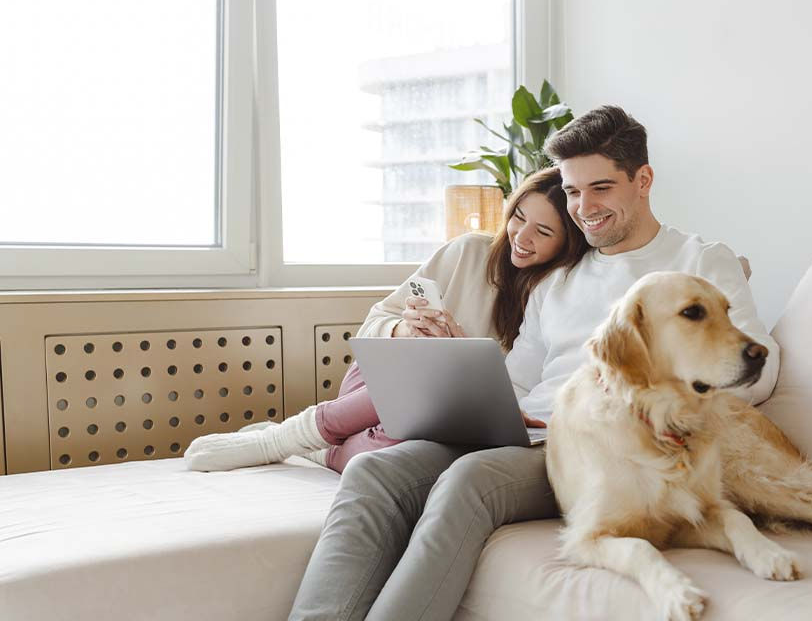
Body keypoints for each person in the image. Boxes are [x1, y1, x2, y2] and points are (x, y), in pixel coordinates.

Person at [286, 105, 780, 620]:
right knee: (374, 470)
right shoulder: (560, 277)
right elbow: (519, 379)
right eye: (572, 191)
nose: (583, 207)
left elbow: (758, 373)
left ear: (643, 180)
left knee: (471, 479)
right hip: (531, 433)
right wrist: (477, 394)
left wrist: (654, 401)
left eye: (601, 188)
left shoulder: (699, 261)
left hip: (611, 449)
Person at [183, 166, 587, 473]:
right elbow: (374, 324)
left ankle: (322, 448)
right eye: (518, 217)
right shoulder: (467, 252)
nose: (521, 236)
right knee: (422, 371)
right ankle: (279, 439)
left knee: (393, 460)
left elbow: (507, 397)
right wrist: (405, 330)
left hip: (432, 419)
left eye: (543, 231)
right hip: (375, 384)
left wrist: (459, 354)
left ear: (567, 242)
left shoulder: (558, 293)